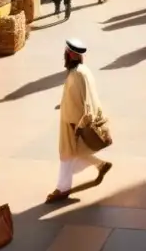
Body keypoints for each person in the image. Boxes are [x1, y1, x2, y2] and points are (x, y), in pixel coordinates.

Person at [47, 39, 113, 203]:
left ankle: (62, 189)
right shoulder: (82, 70)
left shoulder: (76, 74)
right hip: (74, 119)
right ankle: (100, 165)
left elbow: (81, 101)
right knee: (73, 153)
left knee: (67, 155)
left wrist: (77, 125)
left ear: (69, 54)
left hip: (73, 122)